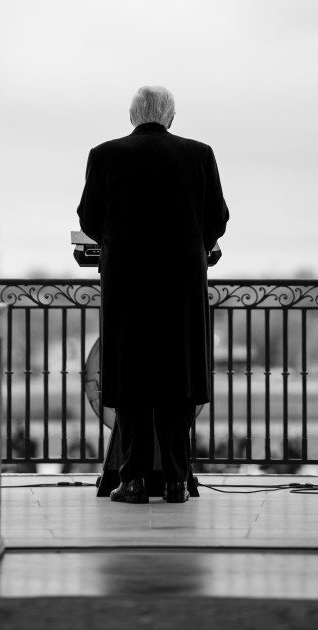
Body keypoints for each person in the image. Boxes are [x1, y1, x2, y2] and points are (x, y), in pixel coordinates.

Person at [77, 86, 229, 504]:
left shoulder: (104, 155)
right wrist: (195, 243)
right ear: (171, 117)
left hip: (127, 283)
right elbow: (217, 219)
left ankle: (133, 481)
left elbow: (89, 219)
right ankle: (177, 481)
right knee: (177, 380)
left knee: (131, 379)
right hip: (181, 285)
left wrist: (115, 241)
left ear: (132, 117)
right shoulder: (200, 154)